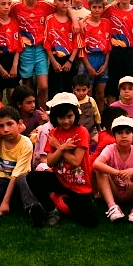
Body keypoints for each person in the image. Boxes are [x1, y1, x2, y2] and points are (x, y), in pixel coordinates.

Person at [26, 92, 98, 228]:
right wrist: (62, 148)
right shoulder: (54, 133)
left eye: (69, 116)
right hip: (60, 179)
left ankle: (62, 206)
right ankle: (51, 210)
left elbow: (76, 161)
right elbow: (50, 162)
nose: (65, 121)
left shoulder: (81, 131)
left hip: (79, 184)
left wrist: (59, 147)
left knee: (91, 222)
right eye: (61, 117)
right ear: (55, 117)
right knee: (32, 177)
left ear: (76, 114)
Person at [0, 106, 43, 225]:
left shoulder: (26, 143)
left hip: (19, 179)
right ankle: (14, 201)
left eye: (10, 124)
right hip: (1, 180)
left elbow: (16, 174)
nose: (5, 129)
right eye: (1, 126)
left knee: (22, 179)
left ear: (19, 124)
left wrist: (5, 202)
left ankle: (31, 207)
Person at [93, 115, 133, 224]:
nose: (124, 136)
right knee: (101, 172)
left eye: (127, 132)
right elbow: (96, 164)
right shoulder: (110, 149)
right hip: (113, 191)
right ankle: (112, 207)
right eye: (119, 133)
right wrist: (118, 173)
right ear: (114, 136)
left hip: (131, 190)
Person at [103, 0, 133, 104]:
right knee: (114, 82)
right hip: (115, 51)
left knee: (132, 81)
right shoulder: (110, 10)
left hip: (131, 51)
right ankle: (112, 109)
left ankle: (132, 108)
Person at [78, 0, 111, 111]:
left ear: (103, 8)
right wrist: (88, 66)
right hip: (88, 59)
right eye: (94, 7)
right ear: (89, 7)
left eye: (100, 7)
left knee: (101, 94)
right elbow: (81, 47)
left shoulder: (107, 23)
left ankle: (100, 118)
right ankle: (88, 118)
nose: (97, 10)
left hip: (102, 59)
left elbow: (108, 45)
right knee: (88, 94)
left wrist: (105, 64)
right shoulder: (84, 25)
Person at [45, 0, 79, 96]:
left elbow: (77, 43)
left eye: (67, 0)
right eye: (61, 0)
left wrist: (70, 61)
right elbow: (47, 42)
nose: (64, 3)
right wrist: (53, 62)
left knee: (69, 91)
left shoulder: (73, 21)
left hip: (69, 60)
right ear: (55, 2)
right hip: (55, 59)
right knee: (54, 92)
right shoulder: (50, 19)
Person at [0, 0, 22, 94]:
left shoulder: (14, 22)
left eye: (9, 4)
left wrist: (14, 66)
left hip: (12, 59)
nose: (6, 7)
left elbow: (18, 46)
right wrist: (0, 69)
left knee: (12, 90)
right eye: (3, 4)